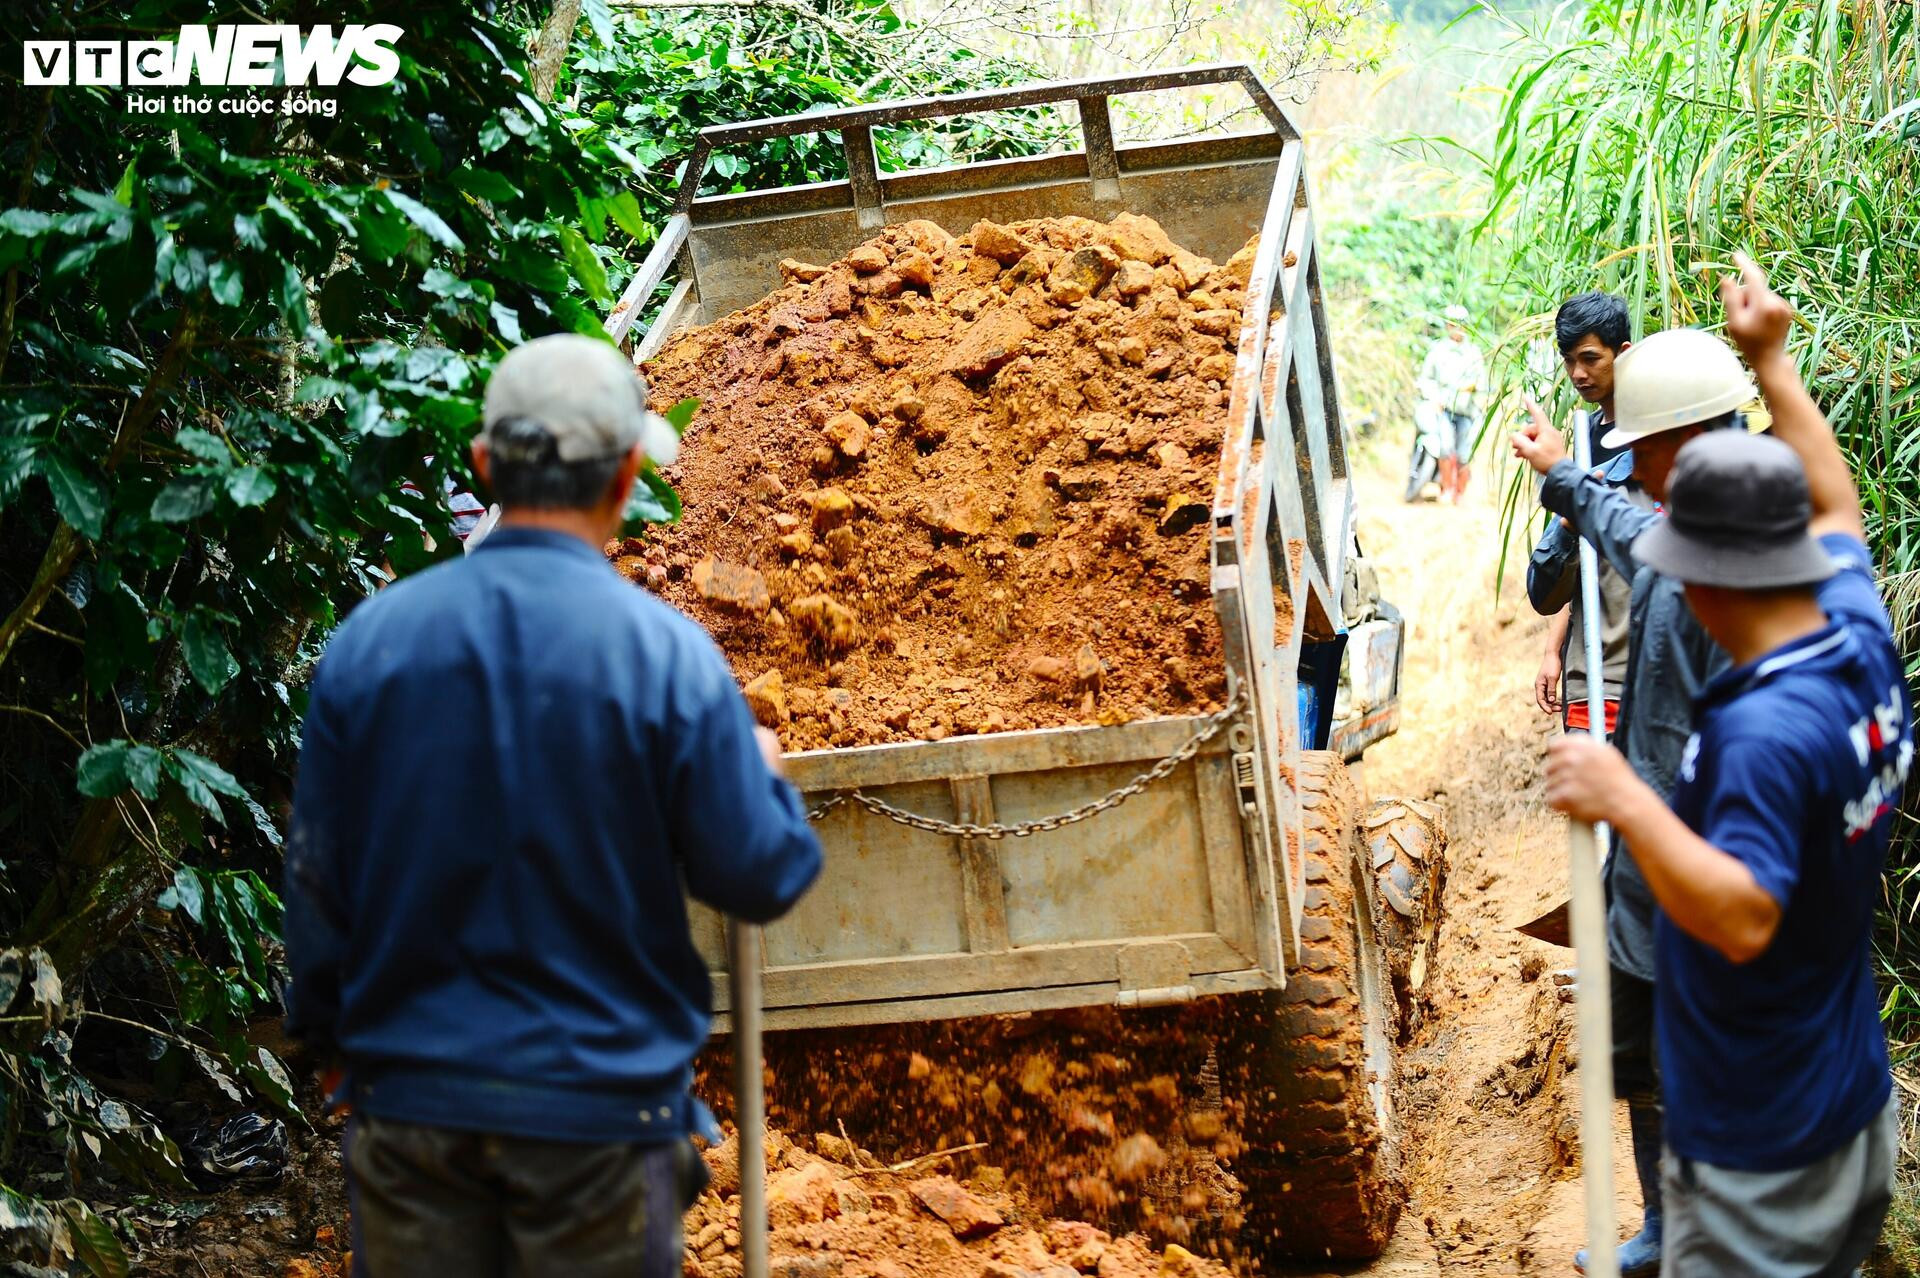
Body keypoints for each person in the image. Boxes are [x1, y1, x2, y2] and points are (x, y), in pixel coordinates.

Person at [283, 333, 825, 1277]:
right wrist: (762, 775)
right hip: (601, 1126)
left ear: (486, 466)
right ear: (625, 477)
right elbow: (757, 871)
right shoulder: (668, 659)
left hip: (415, 1112)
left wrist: (341, 1055)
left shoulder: (368, 647)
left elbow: (319, 881)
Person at [1539, 254, 1907, 1277]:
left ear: (1708, 582)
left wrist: (1624, 802)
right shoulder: (1853, 625)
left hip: (1761, 1143)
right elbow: (1839, 505)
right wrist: (1772, 361)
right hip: (1845, 1095)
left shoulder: (1761, 734)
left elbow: (1744, 910)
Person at [1512, 316, 1759, 1275]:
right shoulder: (1680, 527)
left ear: (1687, 445)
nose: (1632, 470)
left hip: (1701, 879)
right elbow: (1622, 527)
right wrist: (1559, 474)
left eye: (1640, 451)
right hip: (1649, 882)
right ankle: (1665, 1231)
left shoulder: (1736, 566)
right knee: (1637, 1056)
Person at [1529, 292, 1640, 732]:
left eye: (1590, 358)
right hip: (1592, 657)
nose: (1578, 373)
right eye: (1569, 359)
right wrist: (1553, 650)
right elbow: (1577, 553)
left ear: (1622, 354)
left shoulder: (1657, 433)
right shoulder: (1586, 435)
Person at [1416, 304, 1486, 503]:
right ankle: (1446, 488)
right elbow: (1426, 379)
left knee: (1465, 452)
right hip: (1445, 409)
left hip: (1468, 410)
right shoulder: (1438, 351)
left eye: (1461, 325)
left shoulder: (1473, 352)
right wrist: (1433, 398)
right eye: (1453, 324)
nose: (1457, 329)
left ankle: (1460, 492)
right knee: (1446, 448)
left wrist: (1473, 388)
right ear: (1447, 326)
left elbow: (1482, 382)